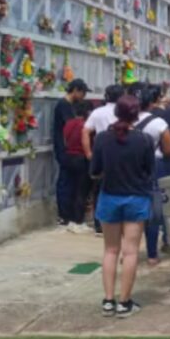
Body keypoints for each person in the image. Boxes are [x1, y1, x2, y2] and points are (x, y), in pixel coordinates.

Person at [90, 95, 155, 319]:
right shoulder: (145, 140)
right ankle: (124, 302)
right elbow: (149, 171)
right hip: (136, 198)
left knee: (110, 250)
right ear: (136, 115)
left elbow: (95, 169)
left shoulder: (101, 140)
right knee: (130, 252)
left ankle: (108, 300)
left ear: (116, 112)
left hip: (109, 196)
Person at [137, 87, 170, 265]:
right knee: (154, 211)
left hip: (130, 167)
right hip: (154, 166)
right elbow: (169, 149)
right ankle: (152, 254)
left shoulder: (124, 121)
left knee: (132, 209)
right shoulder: (159, 123)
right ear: (152, 102)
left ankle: (128, 251)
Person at [83, 84, 126, 235]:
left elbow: (86, 131)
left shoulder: (98, 112)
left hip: (102, 153)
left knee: (100, 189)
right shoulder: (124, 111)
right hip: (123, 153)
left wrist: (89, 153)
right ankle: (119, 222)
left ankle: (99, 224)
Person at [54, 79, 89, 226]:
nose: (83, 96)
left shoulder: (70, 105)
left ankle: (70, 215)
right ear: (75, 90)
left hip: (69, 151)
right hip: (66, 150)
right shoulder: (64, 106)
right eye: (82, 93)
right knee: (66, 183)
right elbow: (70, 129)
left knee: (72, 183)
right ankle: (64, 215)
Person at [61, 99, 93, 234]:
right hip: (80, 158)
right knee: (81, 191)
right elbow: (86, 142)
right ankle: (78, 220)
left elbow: (65, 140)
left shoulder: (68, 124)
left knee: (71, 188)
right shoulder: (84, 126)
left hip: (68, 157)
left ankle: (68, 219)